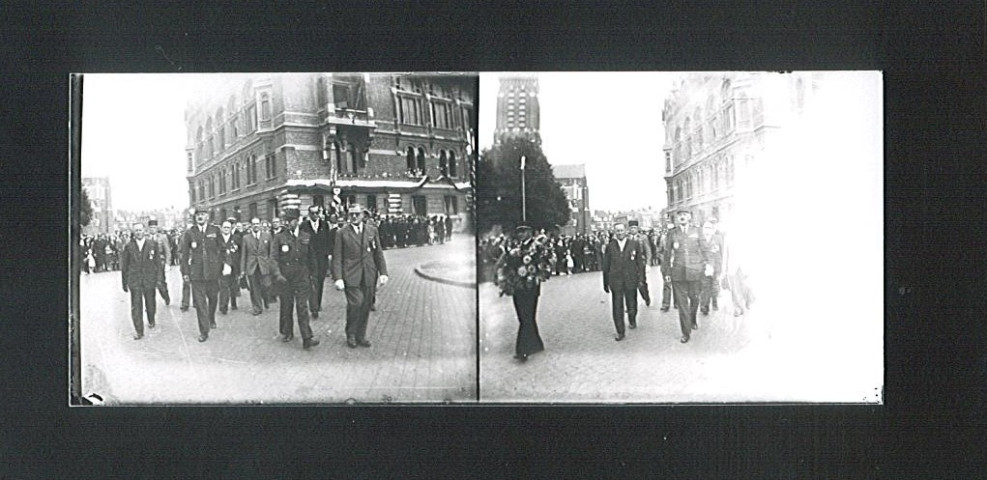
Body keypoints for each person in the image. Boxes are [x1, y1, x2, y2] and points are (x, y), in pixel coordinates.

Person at [331, 204, 388, 349]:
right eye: (351, 214)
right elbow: (337, 257)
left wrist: (383, 272)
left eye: (357, 214)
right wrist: (338, 277)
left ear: (363, 215)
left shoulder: (372, 230)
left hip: (369, 273)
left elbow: (378, 253)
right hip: (351, 274)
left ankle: (361, 335)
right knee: (356, 303)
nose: (354, 217)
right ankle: (351, 333)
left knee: (366, 305)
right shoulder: (342, 233)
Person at [496, 225, 548, 362]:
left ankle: (522, 350)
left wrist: (536, 271)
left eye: (523, 231)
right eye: (519, 231)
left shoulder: (537, 246)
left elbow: (543, 263)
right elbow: (507, 263)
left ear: (530, 232)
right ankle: (537, 344)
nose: (521, 234)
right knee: (524, 317)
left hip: (530, 286)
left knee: (526, 317)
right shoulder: (514, 246)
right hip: (517, 286)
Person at [270, 209, 320, 349]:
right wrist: (278, 275)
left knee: (302, 306)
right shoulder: (279, 237)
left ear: (297, 220)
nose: (287, 223)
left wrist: (313, 275)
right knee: (286, 306)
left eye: (290, 220)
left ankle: (307, 337)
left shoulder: (306, 236)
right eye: (286, 220)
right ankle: (287, 332)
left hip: (302, 277)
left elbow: (312, 257)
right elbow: (273, 258)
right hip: (285, 278)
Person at [661, 209, 713, 343]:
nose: (682, 217)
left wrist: (709, 264)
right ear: (677, 218)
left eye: (685, 215)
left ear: (689, 217)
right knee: (682, 304)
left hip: (695, 272)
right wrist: (666, 272)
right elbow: (667, 254)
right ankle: (686, 332)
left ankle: (693, 318)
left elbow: (705, 249)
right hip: (678, 273)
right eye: (679, 215)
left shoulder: (697, 231)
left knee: (695, 298)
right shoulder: (672, 233)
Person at [179, 207, 229, 342]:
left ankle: (211, 317)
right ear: (195, 218)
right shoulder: (190, 233)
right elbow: (184, 255)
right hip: (197, 273)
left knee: (213, 298)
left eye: (202, 214)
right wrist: (185, 272)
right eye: (198, 215)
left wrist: (226, 264)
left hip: (213, 272)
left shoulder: (215, 230)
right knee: (200, 303)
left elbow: (223, 249)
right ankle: (204, 331)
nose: (200, 217)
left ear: (207, 216)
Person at [602, 222, 647, 341]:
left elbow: (639, 264)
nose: (620, 233)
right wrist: (605, 282)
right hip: (615, 281)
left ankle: (632, 319)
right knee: (617, 306)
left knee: (631, 304)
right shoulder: (610, 246)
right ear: (615, 232)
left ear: (625, 231)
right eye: (617, 231)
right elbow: (606, 265)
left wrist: (641, 279)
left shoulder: (634, 244)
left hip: (631, 279)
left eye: (621, 230)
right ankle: (620, 331)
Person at [121, 222, 162, 340]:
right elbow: (125, 265)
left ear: (145, 231)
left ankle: (151, 318)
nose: (138, 232)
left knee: (150, 302)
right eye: (136, 230)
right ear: (133, 232)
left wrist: (159, 279)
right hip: (135, 280)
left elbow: (158, 263)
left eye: (140, 230)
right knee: (136, 306)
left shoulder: (152, 244)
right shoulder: (129, 246)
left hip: (149, 279)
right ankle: (139, 330)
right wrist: (124, 282)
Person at [300, 205, 332, 319]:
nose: (314, 215)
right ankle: (313, 306)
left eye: (316, 213)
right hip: (308, 260)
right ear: (309, 214)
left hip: (321, 259)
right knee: (311, 282)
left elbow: (329, 241)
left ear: (319, 213)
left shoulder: (325, 225)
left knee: (320, 281)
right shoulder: (303, 226)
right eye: (312, 213)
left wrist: (328, 255)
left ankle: (317, 303)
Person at [240, 217, 273, 316]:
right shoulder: (246, 238)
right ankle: (257, 307)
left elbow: (271, 253)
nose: (256, 226)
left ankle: (266, 299)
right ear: (251, 225)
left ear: (260, 225)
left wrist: (271, 266)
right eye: (254, 224)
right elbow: (243, 255)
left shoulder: (267, 236)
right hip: (252, 266)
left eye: (257, 224)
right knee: (254, 288)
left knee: (266, 285)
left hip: (264, 265)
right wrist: (242, 269)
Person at [699, 220, 725, 316]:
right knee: (705, 287)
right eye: (705, 228)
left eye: (709, 228)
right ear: (702, 229)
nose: (707, 230)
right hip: (704, 267)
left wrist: (722, 267)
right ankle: (704, 306)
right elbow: (698, 253)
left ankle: (714, 301)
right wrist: (705, 264)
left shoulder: (718, 238)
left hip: (716, 266)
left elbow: (722, 253)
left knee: (715, 286)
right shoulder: (700, 240)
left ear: (713, 229)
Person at [147, 219, 172, 305]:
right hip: (149, 263)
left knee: (160, 282)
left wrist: (168, 263)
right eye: (150, 228)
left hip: (160, 262)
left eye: (154, 227)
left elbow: (167, 251)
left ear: (157, 228)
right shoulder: (146, 238)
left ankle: (165, 295)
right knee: (149, 284)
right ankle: (150, 304)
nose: (152, 229)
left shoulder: (162, 237)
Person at [628, 220, 653, 306]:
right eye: (631, 228)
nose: (633, 229)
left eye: (634, 228)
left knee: (641, 283)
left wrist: (648, 263)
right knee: (630, 285)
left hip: (640, 263)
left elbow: (648, 251)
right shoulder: (627, 238)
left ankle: (646, 297)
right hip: (629, 264)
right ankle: (631, 304)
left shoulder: (643, 237)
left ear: (637, 228)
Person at [217, 220, 240, 315]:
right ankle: (223, 306)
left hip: (234, 265)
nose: (226, 229)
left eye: (228, 227)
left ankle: (234, 303)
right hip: (222, 266)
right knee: (224, 286)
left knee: (233, 285)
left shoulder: (236, 238)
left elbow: (240, 252)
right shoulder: (217, 239)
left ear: (231, 229)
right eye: (225, 227)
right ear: (221, 228)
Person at [659, 223, 676, 312]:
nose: (670, 231)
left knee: (677, 284)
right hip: (666, 265)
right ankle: (666, 304)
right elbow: (659, 251)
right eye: (668, 230)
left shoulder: (678, 238)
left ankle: (677, 302)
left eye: (672, 229)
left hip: (677, 264)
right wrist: (664, 260)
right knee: (667, 284)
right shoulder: (663, 239)